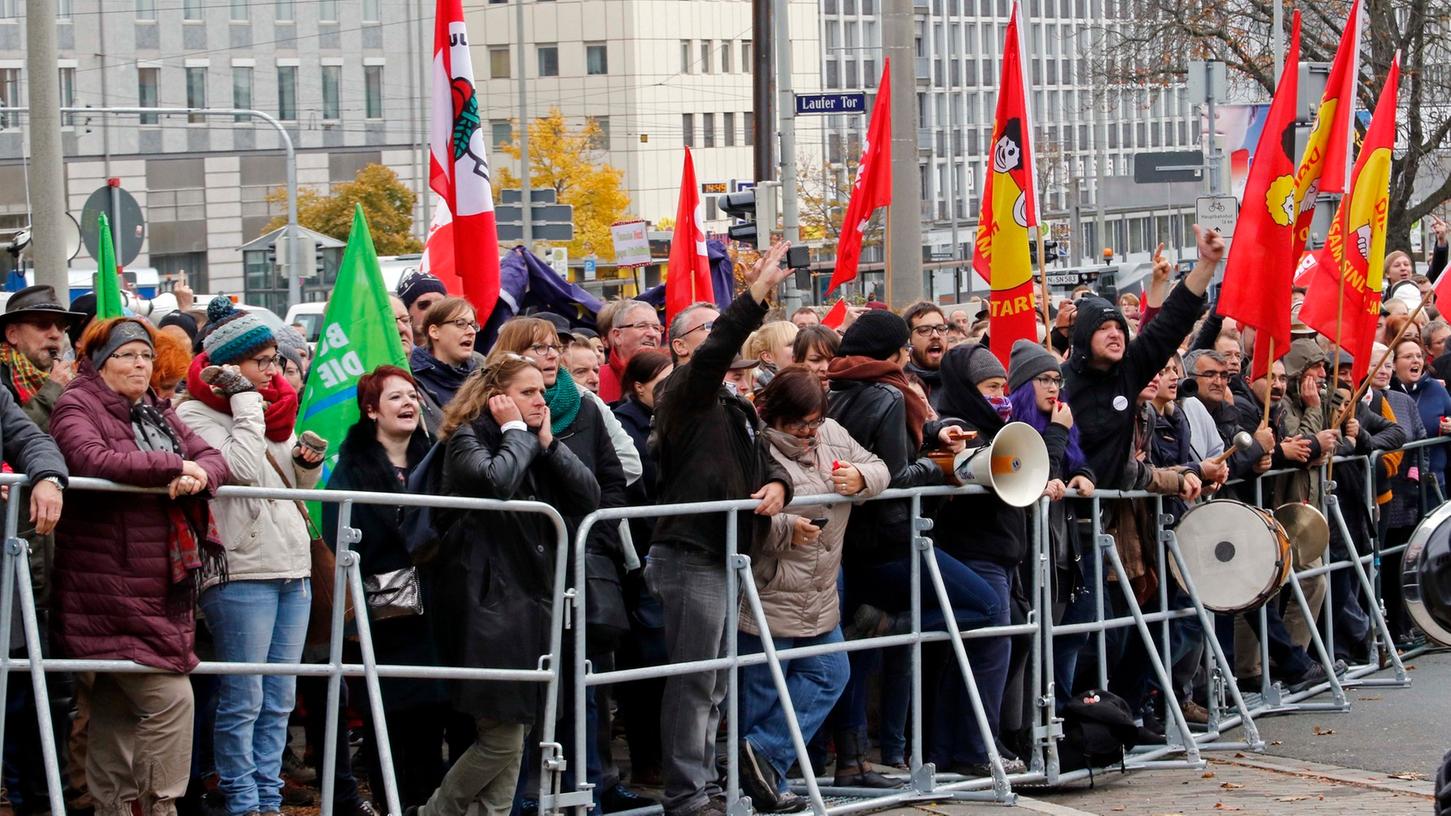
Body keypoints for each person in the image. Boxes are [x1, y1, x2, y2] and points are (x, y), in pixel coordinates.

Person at [52, 316, 228, 816]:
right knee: (171, 699)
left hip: (155, 584)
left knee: (113, 710)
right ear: (100, 361)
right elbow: (89, 459)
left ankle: (113, 807)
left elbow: (213, 458)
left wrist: (197, 475)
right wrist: (174, 468)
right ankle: (161, 805)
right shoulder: (76, 404)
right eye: (128, 355)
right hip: (106, 585)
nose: (140, 364)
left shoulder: (153, 409)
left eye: (146, 356)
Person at [648, 243, 795, 816]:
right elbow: (715, 356)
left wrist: (779, 485)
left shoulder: (733, 405)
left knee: (715, 684)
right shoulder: (682, 391)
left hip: (728, 551)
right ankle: (689, 797)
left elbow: (765, 458)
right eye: (708, 330)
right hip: (691, 550)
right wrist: (752, 298)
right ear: (682, 345)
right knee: (695, 681)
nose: (722, 340)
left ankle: (713, 788)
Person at [823, 310, 998, 788]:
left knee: (862, 652)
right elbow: (895, 477)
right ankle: (892, 624)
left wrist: (936, 436)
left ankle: (852, 762)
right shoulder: (887, 393)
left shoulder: (833, 390)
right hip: (892, 540)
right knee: (985, 604)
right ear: (897, 353)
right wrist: (941, 467)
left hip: (848, 544)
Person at [420, 353, 600, 816]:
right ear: (497, 399)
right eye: (528, 392)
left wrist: (550, 445)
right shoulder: (467, 438)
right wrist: (516, 433)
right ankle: (436, 812)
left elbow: (589, 495)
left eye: (541, 391)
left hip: (530, 600)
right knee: (501, 737)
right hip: (488, 604)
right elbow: (496, 481)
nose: (541, 399)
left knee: (516, 732)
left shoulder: (532, 440)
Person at [175, 298, 326, 816]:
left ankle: (268, 796)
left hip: (292, 565)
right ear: (228, 366)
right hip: (240, 569)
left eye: (275, 360)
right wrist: (244, 405)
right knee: (244, 697)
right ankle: (241, 800)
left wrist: (307, 465)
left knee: (281, 697)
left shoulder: (272, 408)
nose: (273, 371)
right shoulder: (193, 411)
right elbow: (237, 469)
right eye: (261, 362)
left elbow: (290, 490)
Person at [736, 367, 890, 812]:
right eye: (798, 424)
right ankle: (759, 784)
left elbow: (880, 466)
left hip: (822, 589)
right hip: (770, 587)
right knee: (764, 688)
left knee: (831, 672)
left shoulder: (834, 434)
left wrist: (861, 480)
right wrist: (786, 529)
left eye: (814, 421)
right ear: (775, 416)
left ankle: (763, 757)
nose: (807, 432)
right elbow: (742, 514)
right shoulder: (755, 446)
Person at [323, 366, 452, 810]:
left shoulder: (435, 456)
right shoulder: (352, 465)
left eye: (412, 395)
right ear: (372, 410)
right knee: (390, 724)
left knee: (433, 720)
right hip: (383, 615)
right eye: (396, 397)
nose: (409, 404)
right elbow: (336, 530)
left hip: (435, 609)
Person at [927, 344, 1040, 777]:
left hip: (1002, 556)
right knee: (989, 650)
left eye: (1004, 387)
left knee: (990, 649)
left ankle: (959, 745)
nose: (1002, 396)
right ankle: (976, 748)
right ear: (967, 388)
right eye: (992, 387)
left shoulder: (1000, 427)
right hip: (976, 554)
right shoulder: (956, 427)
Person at [1065, 225, 1224, 491]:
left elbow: (1169, 325)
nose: (1115, 335)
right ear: (1083, 337)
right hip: (1068, 512)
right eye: (1103, 329)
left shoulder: (1128, 370)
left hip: (1115, 515)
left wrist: (1206, 264)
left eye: (1118, 328)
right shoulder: (1059, 382)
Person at [1005, 340, 1096, 712]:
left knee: (1056, 646)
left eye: (1057, 379)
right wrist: (1058, 432)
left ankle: (1050, 721)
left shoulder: (1062, 424)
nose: (1054, 387)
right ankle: (1024, 731)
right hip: (1028, 559)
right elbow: (1038, 468)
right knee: (1025, 652)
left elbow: (1074, 463)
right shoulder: (1013, 429)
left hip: (1059, 558)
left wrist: (1086, 475)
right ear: (1026, 386)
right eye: (1043, 379)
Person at [610, 349, 673, 788]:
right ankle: (646, 757)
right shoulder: (624, 424)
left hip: (672, 551)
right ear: (639, 386)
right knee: (645, 665)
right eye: (662, 383)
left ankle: (669, 756)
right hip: (642, 556)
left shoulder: (675, 419)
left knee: (673, 664)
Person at [0, 284, 83, 431]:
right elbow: (11, 438)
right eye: (42, 324)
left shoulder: (68, 377)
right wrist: (53, 390)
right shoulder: (2, 380)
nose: (55, 334)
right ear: (12, 334)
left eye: (61, 326)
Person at [411, 297, 480, 436]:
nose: (471, 331)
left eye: (473, 325)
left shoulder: (484, 374)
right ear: (434, 331)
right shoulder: (412, 380)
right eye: (461, 323)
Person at [1390, 337, 1451, 491]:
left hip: (1433, 482)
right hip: (1397, 485)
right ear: (1394, 364)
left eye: (1418, 356)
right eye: (1408, 357)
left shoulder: (1437, 389)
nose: (1415, 360)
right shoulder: (1385, 393)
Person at [599, 300, 662, 403]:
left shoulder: (673, 379)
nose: (652, 334)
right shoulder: (595, 380)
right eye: (641, 326)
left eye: (656, 328)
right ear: (617, 335)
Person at [901, 302, 948, 404]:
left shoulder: (960, 381)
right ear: (909, 339)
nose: (936, 335)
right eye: (925, 330)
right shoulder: (900, 387)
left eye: (941, 329)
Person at [397, 269, 449, 347]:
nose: (432, 310)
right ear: (406, 311)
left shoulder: (459, 354)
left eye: (440, 305)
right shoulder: (392, 355)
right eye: (424, 305)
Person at [743, 320, 798, 394]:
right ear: (767, 357)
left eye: (800, 342)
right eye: (791, 344)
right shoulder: (764, 395)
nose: (800, 348)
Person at [792, 326, 840, 393]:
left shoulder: (853, 397)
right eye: (816, 360)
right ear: (796, 361)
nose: (825, 368)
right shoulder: (782, 398)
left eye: (831, 359)